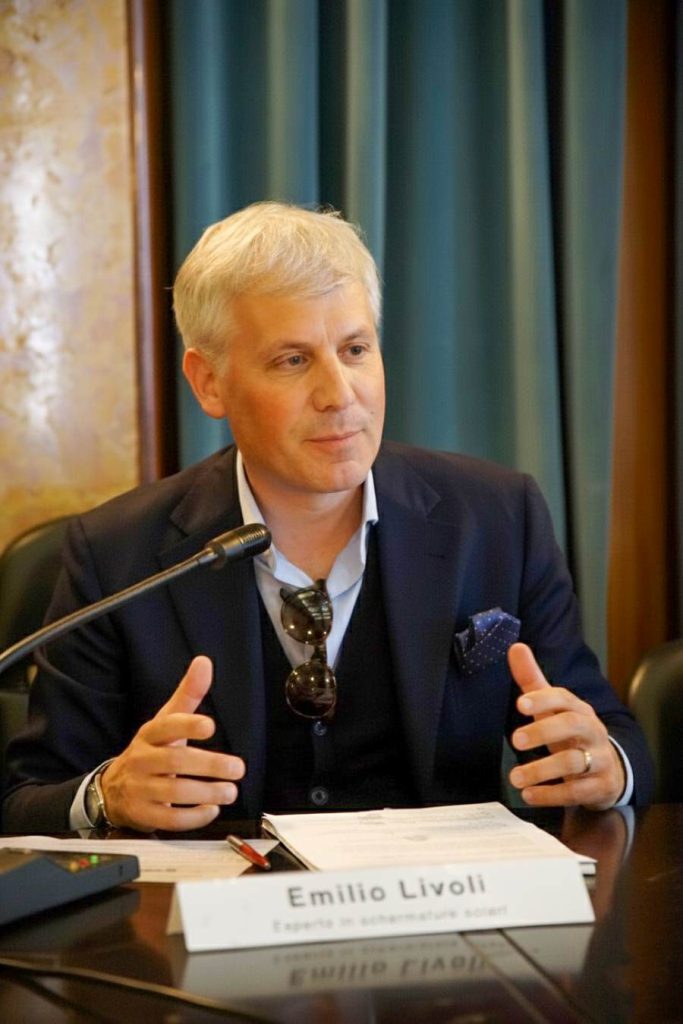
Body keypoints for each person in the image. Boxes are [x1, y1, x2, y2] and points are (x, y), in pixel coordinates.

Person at [1, 202, 653, 833]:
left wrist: (602, 764)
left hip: (437, 899)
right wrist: (108, 794)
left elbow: (614, 740)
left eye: (355, 349)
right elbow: (23, 800)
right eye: (292, 360)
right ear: (208, 382)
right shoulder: (116, 554)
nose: (339, 395)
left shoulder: (496, 517)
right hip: (218, 902)